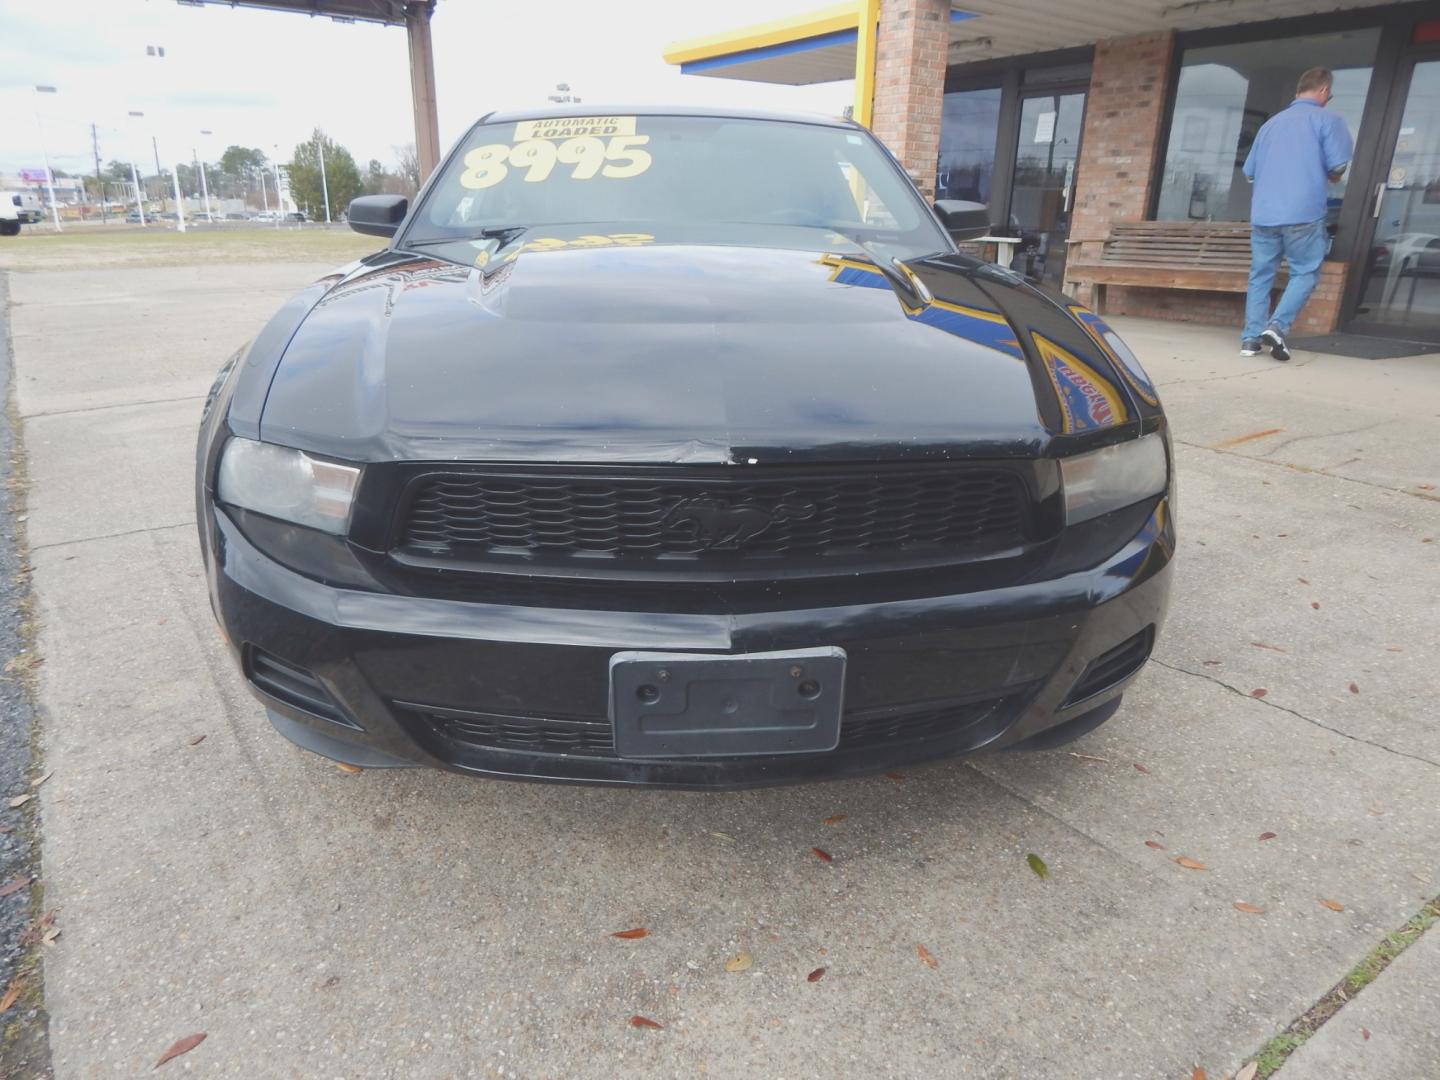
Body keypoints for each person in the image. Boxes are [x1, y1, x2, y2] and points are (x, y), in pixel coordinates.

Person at [1240, 67, 1353, 362]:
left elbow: (1249, 173)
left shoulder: (1270, 126)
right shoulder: (1328, 120)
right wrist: (1328, 176)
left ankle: (1250, 340)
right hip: (1303, 213)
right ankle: (1277, 326)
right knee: (1305, 272)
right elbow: (1338, 166)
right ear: (1324, 91)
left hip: (1264, 215)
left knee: (1260, 276)